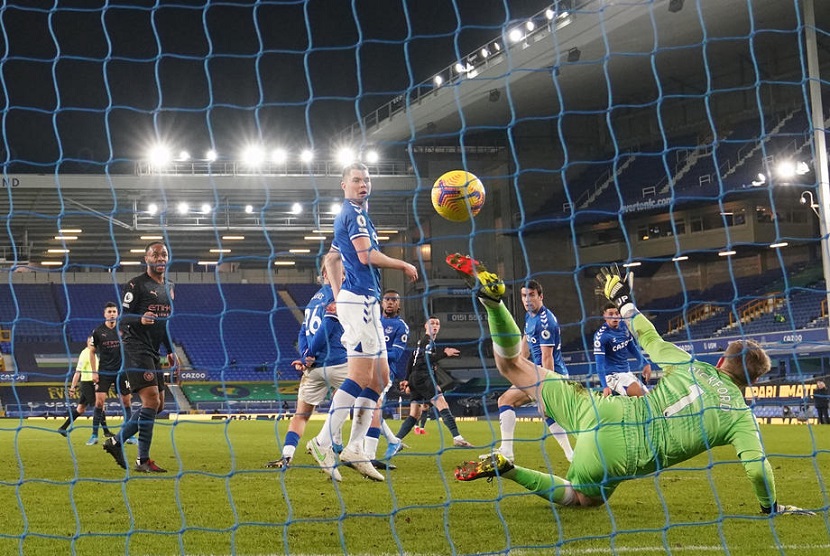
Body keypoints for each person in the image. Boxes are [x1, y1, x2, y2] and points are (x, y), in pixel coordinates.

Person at [449, 255, 813, 516]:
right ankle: (508, 469)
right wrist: (770, 507)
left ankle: (493, 303)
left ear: (721, 362)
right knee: (581, 498)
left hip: (600, 406)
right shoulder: (739, 415)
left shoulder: (690, 364)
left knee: (512, 364)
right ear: (753, 382)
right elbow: (757, 469)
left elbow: (649, 339)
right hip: (620, 453)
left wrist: (623, 302)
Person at [307, 163, 418, 482]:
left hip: (361, 300)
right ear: (344, 185)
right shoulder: (353, 214)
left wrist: (339, 295)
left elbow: (331, 258)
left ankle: (356, 447)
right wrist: (402, 263)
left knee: (381, 377)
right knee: (360, 376)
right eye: (356, 180)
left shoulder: (357, 214)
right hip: (361, 302)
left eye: (367, 180)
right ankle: (324, 441)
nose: (363, 184)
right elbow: (367, 256)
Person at [265, 267, 349, 476]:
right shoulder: (338, 295)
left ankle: (287, 455)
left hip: (314, 368)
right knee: (368, 400)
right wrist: (310, 352)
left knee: (301, 415)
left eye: (344, 272)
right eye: (339, 272)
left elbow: (303, 330)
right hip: (338, 362)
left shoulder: (314, 298)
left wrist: (306, 356)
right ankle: (339, 447)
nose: (343, 276)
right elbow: (327, 329)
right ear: (326, 275)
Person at [103, 241, 177, 473]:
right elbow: (123, 319)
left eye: (163, 254)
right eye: (155, 254)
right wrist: (140, 319)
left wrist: (171, 349)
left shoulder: (168, 288)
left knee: (159, 405)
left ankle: (116, 442)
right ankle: (142, 460)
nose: (160, 257)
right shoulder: (135, 285)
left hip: (154, 351)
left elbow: (163, 323)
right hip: (135, 348)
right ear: (147, 259)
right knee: (151, 401)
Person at [487, 279, 573, 464]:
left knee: (507, 401)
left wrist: (546, 387)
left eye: (532, 295)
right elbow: (525, 343)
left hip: (551, 375)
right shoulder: (530, 316)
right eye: (524, 295)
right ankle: (570, 455)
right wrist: (516, 363)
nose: (527, 300)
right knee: (543, 412)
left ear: (541, 296)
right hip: (536, 373)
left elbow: (546, 357)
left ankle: (507, 452)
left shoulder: (545, 322)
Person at [389, 317, 473, 448]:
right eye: (432, 323)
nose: (435, 325)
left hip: (416, 377)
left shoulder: (420, 342)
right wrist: (445, 353)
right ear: (425, 326)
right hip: (423, 377)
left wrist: (407, 379)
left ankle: (394, 442)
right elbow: (427, 360)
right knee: (442, 404)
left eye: (437, 323)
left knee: (414, 414)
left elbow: (412, 360)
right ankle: (458, 438)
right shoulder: (428, 341)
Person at [362, 289, 410, 467]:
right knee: (368, 409)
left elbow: (396, 354)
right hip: (367, 370)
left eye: (394, 300)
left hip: (385, 372)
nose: (390, 302)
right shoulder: (374, 322)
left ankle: (369, 456)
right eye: (387, 300)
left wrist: (372, 352)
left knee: (373, 410)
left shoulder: (401, 326)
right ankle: (393, 441)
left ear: (398, 304)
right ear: (382, 303)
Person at [88, 302, 136, 446]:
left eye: (114, 311)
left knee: (127, 402)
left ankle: (129, 435)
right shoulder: (97, 332)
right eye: (109, 311)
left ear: (117, 313)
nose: (112, 314)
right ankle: (94, 435)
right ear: (105, 314)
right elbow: (91, 351)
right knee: (99, 402)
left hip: (122, 372)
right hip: (104, 372)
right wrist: (94, 371)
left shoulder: (124, 330)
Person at [593, 302, 651, 397]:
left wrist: (645, 363)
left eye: (617, 313)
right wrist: (605, 386)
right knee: (642, 396)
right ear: (604, 316)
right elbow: (599, 364)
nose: (615, 316)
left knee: (648, 398)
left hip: (627, 373)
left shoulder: (624, 326)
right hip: (612, 376)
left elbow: (632, 347)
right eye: (611, 314)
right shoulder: (601, 336)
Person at [59, 336, 108, 437]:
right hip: (87, 383)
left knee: (80, 409)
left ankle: (63, 428)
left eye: (93, 342)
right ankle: (106, 431)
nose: (92, 343)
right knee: (99, 406)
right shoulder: (85, 354)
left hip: (91, 383)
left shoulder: (93, 354)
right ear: (87, 342)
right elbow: (78, 372)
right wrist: (72, 387)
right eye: (90, 341)